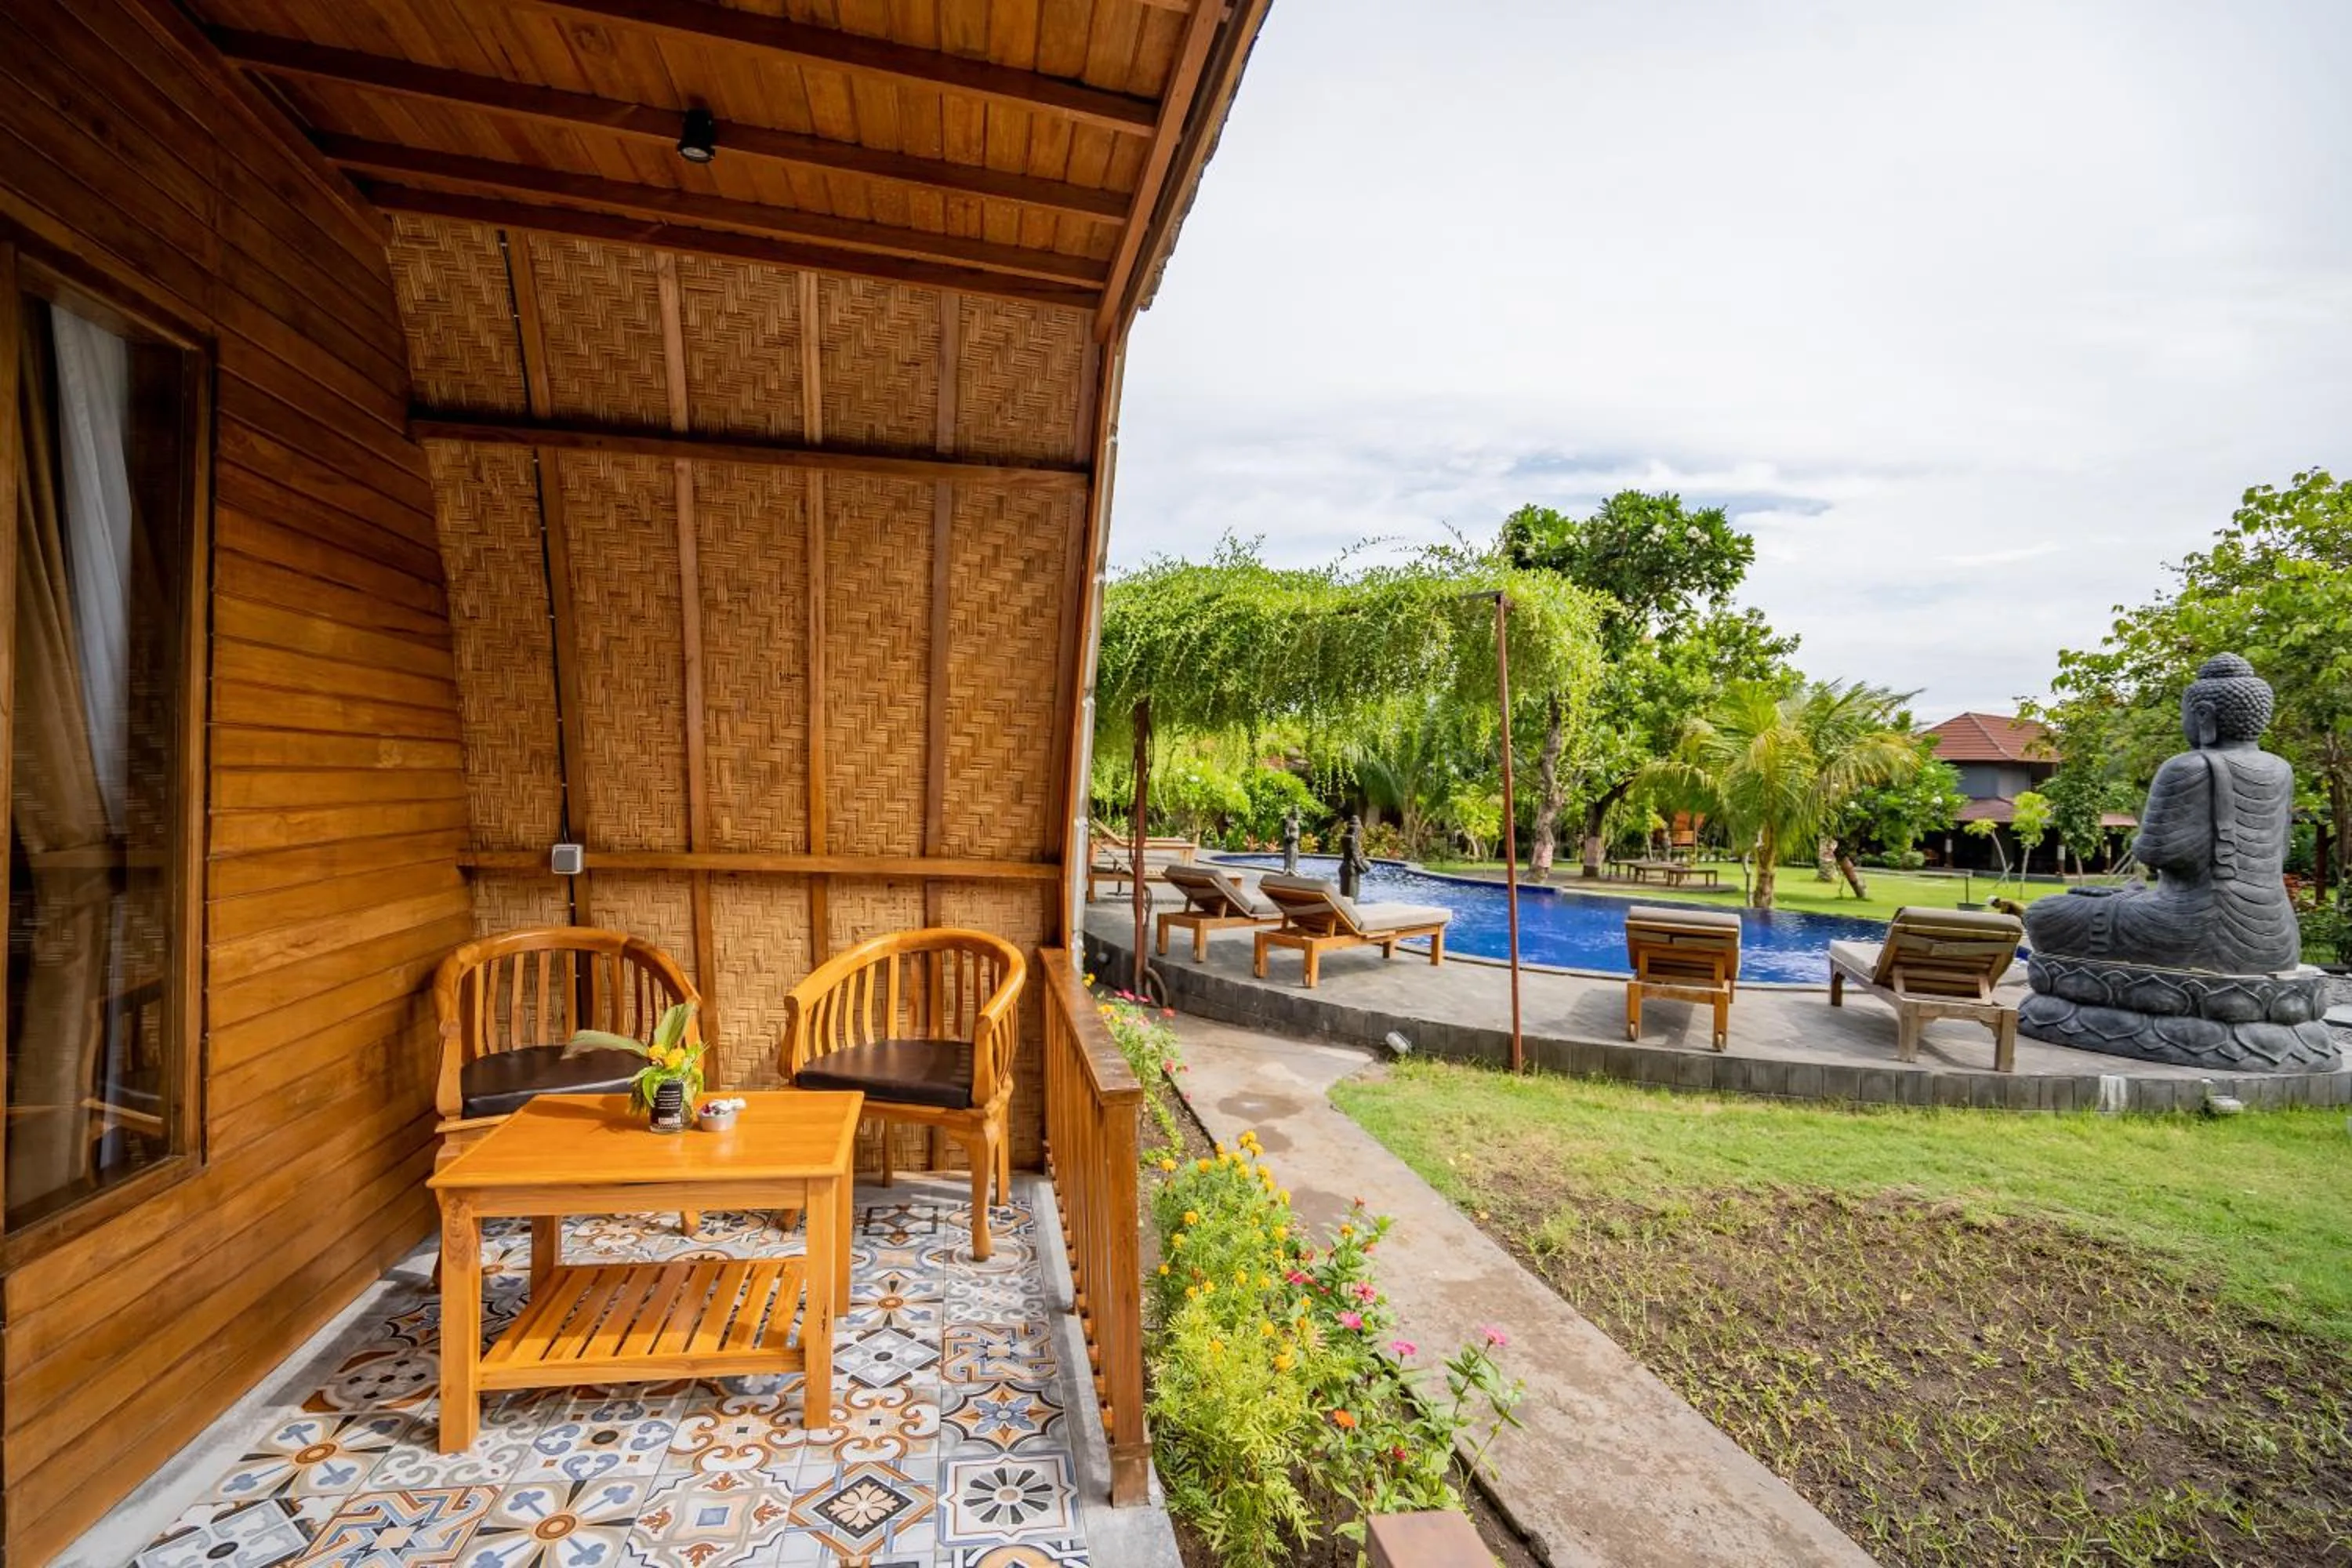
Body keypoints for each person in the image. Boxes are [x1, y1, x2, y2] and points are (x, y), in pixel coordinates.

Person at [1337, 813, 1372, 900]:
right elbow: (1354, 856)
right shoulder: (1352, 840)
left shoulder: (1344, 838)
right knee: (1351, 899)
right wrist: (1362, 869)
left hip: (1344, 867)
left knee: (1345, 897)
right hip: (1351, 869)